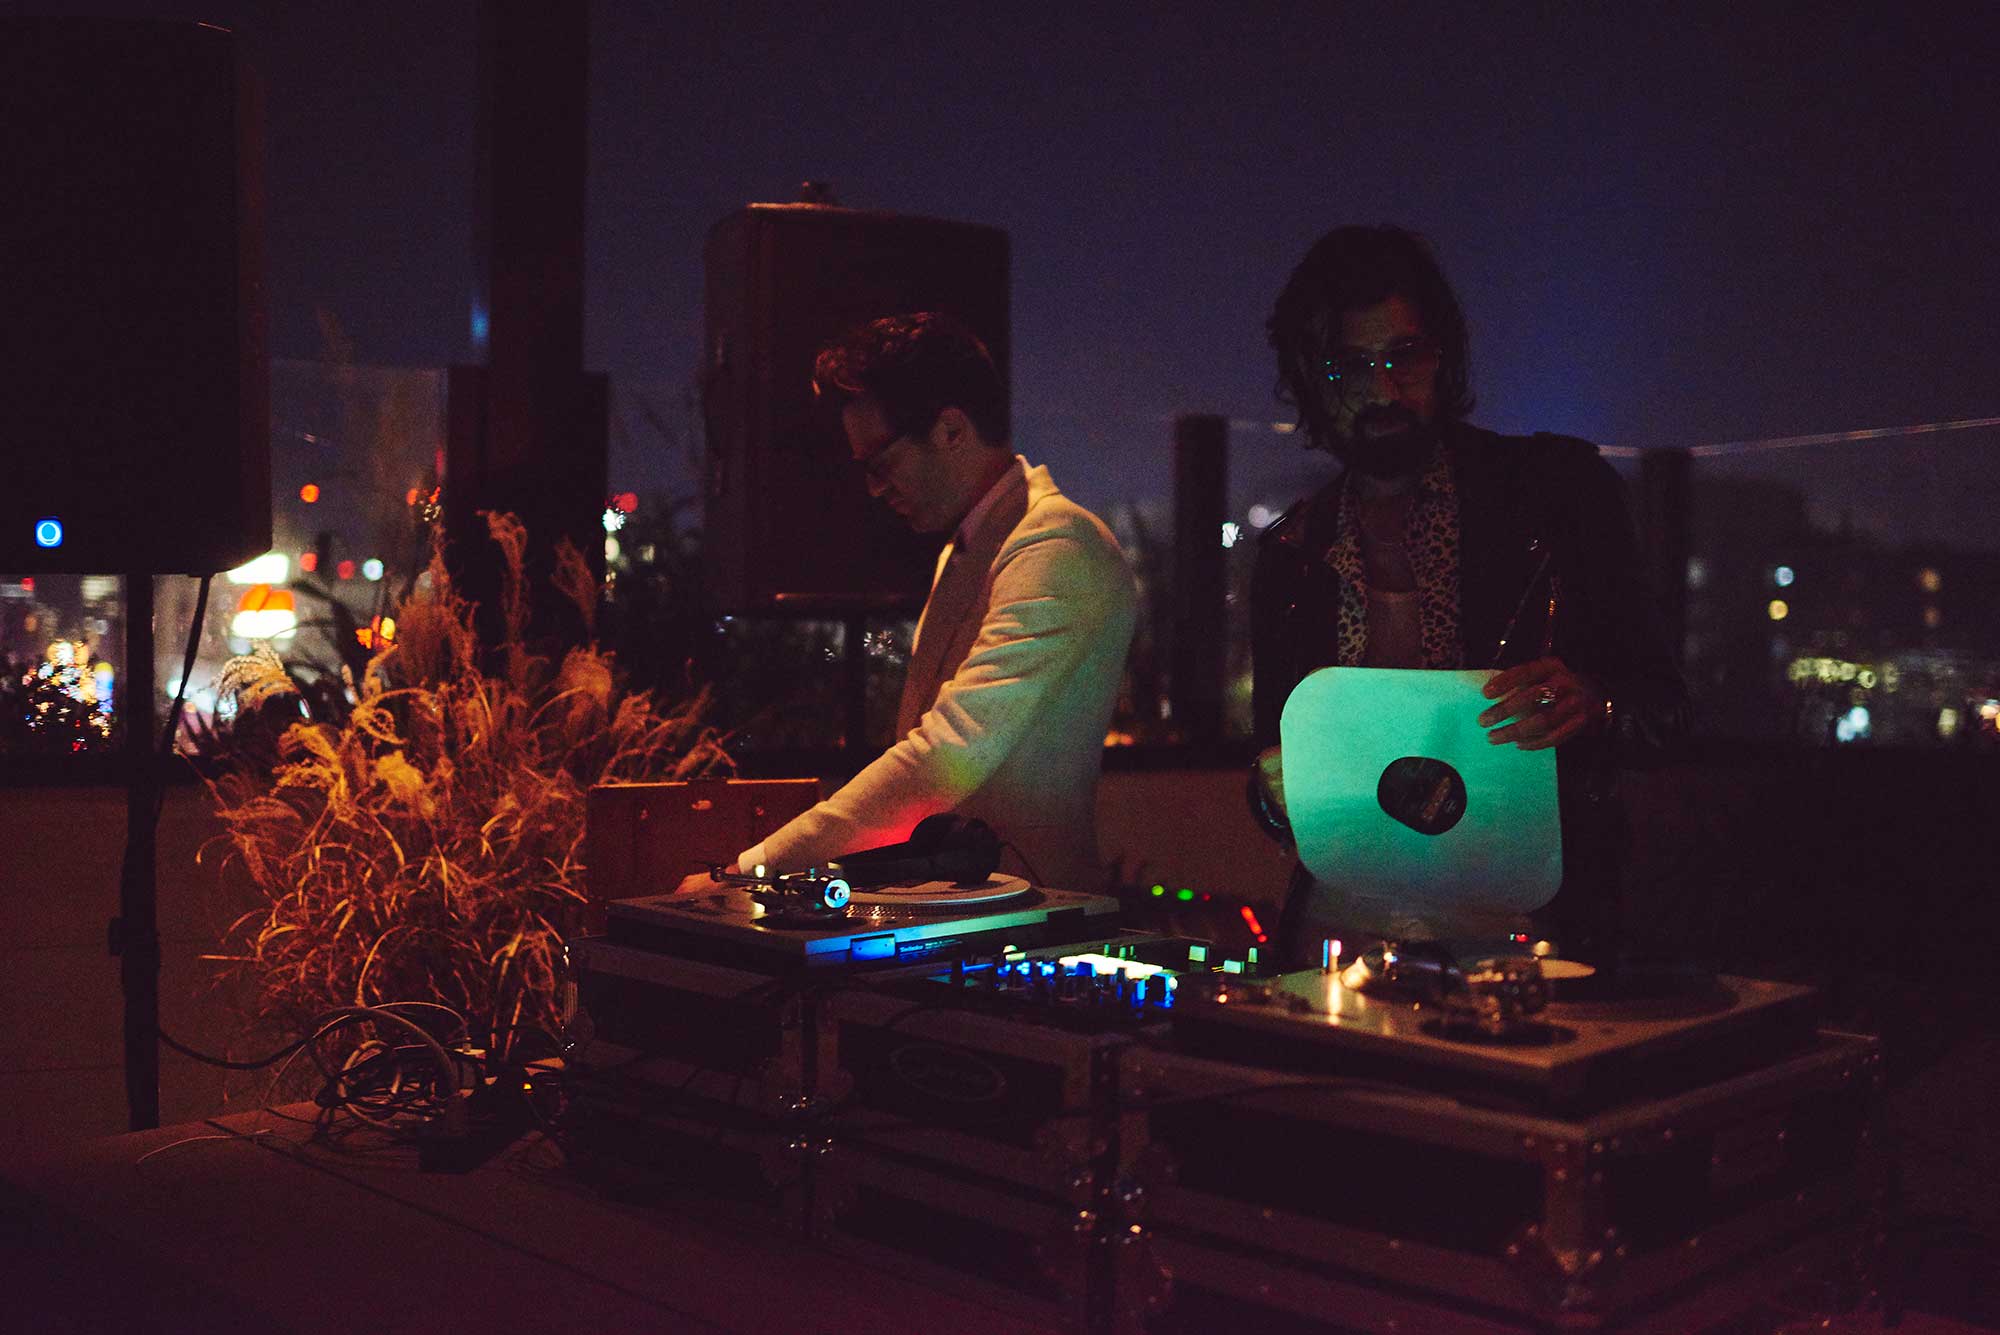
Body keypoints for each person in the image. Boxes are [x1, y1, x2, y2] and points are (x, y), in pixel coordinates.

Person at [1251, 225, 1691, 962]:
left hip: (1528, 942)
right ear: (1311, 381)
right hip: (1340, 939)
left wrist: (1594, 704)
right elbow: (1276, 773)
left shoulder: (1559, 495)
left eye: (1404, 356)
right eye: (1350, 367)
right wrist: (1270, 792)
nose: (1384, 388)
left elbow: (1668, 709)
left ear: (1442, 356)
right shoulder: (1292, 553)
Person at [688, 312, 1137, 893]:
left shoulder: (1055, 543)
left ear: (952, 430)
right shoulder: (971, 543)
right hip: (969, 913)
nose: (873, 489)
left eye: (882, 462)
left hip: (1031, 916)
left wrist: (754, 869)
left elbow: (946, 755)